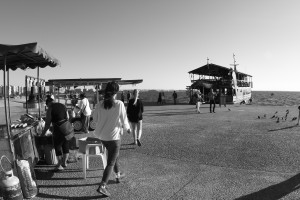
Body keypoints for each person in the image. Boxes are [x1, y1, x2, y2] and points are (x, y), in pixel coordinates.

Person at [93, 81, 131, 197]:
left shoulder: (99, 104)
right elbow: (124, 120)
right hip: (114, 138)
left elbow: (94, 121)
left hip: (102, 137)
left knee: (114, 155)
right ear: (116, 92)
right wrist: (128, 128)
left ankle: (118, 174)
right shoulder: (119, 104)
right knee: (111, 162)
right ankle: (103, 186)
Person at [41, 97, 70, 171]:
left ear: (48, 103)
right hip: (66, 128)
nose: (47, 107)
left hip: (58, 129)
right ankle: (64, 163)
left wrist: (43, 134)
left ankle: (59, 165)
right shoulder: (63, 105)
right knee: (65, 145)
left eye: (47, 105)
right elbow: (68, 117)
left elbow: (47, 124)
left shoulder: (50, 109)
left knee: (57, 146)